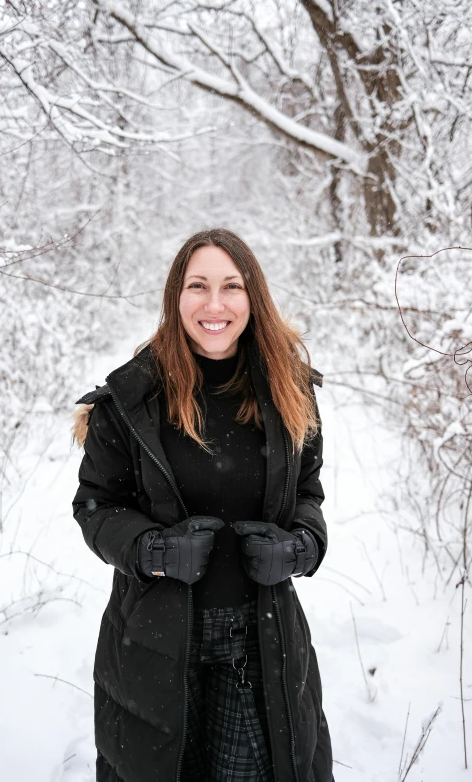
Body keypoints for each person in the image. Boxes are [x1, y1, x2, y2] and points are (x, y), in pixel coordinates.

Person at [71, 228, 334, 782]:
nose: (214, 304)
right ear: (176, 296)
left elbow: (308, 492)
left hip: (261, 641)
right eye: (198, 285)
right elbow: (96, 505)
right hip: (156, 640)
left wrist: (302, 546)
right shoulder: (132, 399)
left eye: (231, 286)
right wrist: (152, 548)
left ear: (252, 297)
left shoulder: (290, 390)